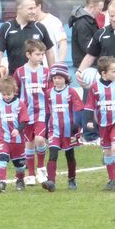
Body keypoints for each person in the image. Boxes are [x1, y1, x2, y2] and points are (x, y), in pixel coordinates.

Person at [85, 55, 115, 191]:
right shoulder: (94, 88)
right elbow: (89, 106)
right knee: (107, 152)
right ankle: (111, 179)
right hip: (103, 124)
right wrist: (89, 121)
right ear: (103, 73)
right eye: (114, 71)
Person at [40, 63, 83, 192]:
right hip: (55, 129)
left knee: (70, 155)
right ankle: (51, 181)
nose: (57, 80)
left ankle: (72, 179)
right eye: (54, 78)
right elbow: (48, 111)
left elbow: (79, 108)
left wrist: (77, 124)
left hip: (69, 130)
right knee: (52, 154)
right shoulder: (48, 93)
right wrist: (46, 128)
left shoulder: (71, 92)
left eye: (59, 77)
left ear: (65, 78)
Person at [12, 39, 50, 186]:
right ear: (28, 54)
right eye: (38, 54)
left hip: (41, 112)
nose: (41, 57)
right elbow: (16, 92)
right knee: (28, 145)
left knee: (40, 140)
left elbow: (49, 91)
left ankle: (41, 168)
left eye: (42, 54)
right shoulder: (20, 72)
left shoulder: (46, 72)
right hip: (26, 114)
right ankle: (31, 175)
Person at [0, 0, 56, 76]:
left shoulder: (40, 27)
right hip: (14, 78)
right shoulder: (6, 27)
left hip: (38, 78)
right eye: (30, 8)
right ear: (19, 9)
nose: (34, 11)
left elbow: (49, 51)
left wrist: (53, 74)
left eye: (35, 8)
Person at [0, 76, 30, 193]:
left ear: (15, 91)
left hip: (17, 141)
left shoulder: (20, 104)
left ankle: (20, 180)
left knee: (19, 165)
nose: (6, 97)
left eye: (9, 94)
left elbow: (24, 121)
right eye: (3, 94)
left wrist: (18, 129)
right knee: (1, 158)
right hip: (3, 138)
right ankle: (1, 182)